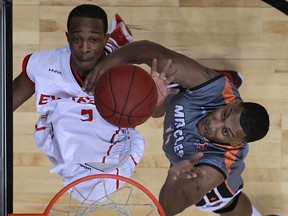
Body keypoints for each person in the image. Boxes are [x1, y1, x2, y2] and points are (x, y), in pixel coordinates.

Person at [81, 40, 270, 216]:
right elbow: (153, 52)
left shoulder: (215, 168)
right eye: (224, 114)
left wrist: (174, 180)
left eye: (225, 132)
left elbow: (168, 209)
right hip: (201, 89)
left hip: (212, 186)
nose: (212, 124)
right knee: (172, 77)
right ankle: (223, 79)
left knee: (229, 207)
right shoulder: (217, 91)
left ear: (236, 142)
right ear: (234, 103)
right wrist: (107, 63)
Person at [13, 4, 133, 112]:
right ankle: (116, 39)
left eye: (93, 39)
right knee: (91, 54)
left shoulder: (120, 76)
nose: (84, 48)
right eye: (76, 39)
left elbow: (149, 50)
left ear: (104, 40)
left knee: (95, 55)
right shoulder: (42, 65)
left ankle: (113, 40)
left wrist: (121, 56)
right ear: (68, 37)